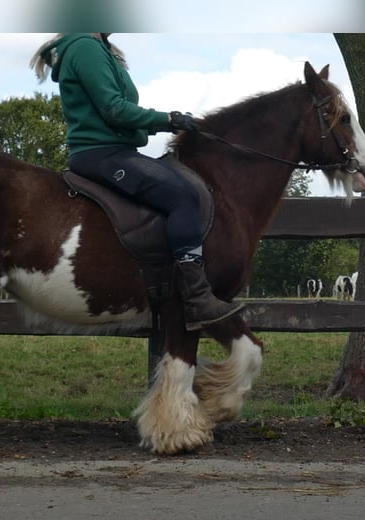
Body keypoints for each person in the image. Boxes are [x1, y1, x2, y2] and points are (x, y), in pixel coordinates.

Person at [30, 33, 243, 330]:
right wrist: (167, 119)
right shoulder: (85, 48)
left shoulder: (101, 49)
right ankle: (197, 297)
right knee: (182, 196)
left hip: (116, 150)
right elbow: (114, 109)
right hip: (102, 155)